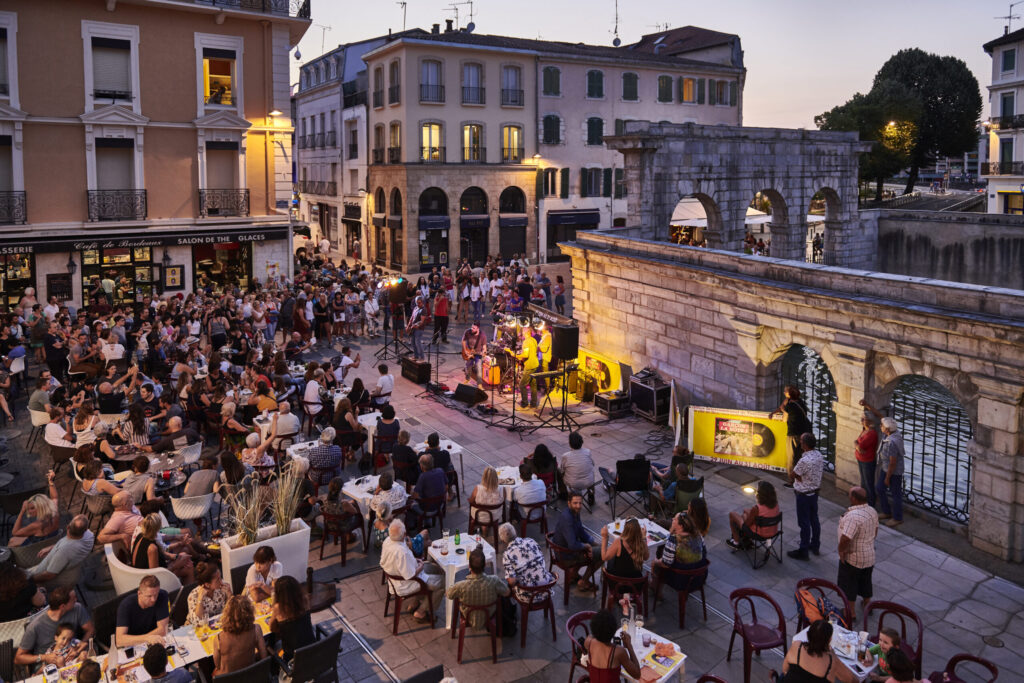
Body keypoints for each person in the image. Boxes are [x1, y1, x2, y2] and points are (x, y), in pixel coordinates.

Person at [380, 519, 444, 623]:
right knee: (443, 582)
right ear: (404, 533)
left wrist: (416, 561)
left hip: (396, 578)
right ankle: (421, 611)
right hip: (407, 583)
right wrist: (420, 565)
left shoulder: (387, 541)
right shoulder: (401, 552)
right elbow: (410, 575)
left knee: (435, 568)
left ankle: (415, 603)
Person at [15, 587, 94, 670]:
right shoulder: (35, 626)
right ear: (63, 606)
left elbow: (90, 629)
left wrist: (80, 644)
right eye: (73, 599)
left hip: (73, 658)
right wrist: (44, 657)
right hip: (47, 665)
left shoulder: (77, 608)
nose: (76, 600)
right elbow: (18, 658)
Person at [837, 487, 879, 622]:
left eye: (849, 495)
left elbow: (846, 538)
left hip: (854, 557)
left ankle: (851, 612)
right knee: (866, 580)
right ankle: (867, 604)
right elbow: (876, 530)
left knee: (849, 584)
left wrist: (841, 550)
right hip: (869, 555)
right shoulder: (872, 511)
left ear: (854, 498)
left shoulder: (853, 517)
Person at [771, 619, 858, 683]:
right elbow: (852, 680)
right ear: (829, 640)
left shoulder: (797, 646)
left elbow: (784, 669)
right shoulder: (831, 660)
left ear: (808, 635)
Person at [445, 546, 509, 629]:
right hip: (489, 614)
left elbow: (448, 594)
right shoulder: (494, 580)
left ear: (469, 566)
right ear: (485, 565)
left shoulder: (461, 585)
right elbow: (507, 593)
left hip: (468, 615)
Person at [552, 492, 601, 592]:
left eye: (580, 503)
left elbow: (581, 532)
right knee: (603, 555)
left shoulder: (574, 512)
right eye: (575, 503)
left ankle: (573, 575)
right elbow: (573, 545)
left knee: (599, 547)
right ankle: (583, 582)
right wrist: (587, 546)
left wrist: (593, 543)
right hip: (566, 555)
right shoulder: (567, 518)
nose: (578, 506)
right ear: (569, 503)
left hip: (566, 550)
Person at [788, 433, 825, 561]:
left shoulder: (804, 460)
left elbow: (793, 474)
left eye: (801, 441)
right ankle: (815, 545)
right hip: (814, 492)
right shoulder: (819, 455)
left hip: (803, 495)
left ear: (804, 445)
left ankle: (803, 550)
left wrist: (800, 478)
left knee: (804, 523)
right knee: (814, 519)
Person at [26, 515, 95, 583]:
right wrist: (52, 548)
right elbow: (68, 541)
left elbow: (49, 575)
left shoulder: (64, 551)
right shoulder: (90, 535)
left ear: (68, 527)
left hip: (46, 577)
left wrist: (29, 582)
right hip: (68, 569)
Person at [498, 522, 555, 603]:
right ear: (516, 533)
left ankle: (511, 610)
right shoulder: (531, 541)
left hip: (529, 596)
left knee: (507, 584)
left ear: (502, 540)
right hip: (546, 589)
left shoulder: (507, 554)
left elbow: (512, 581)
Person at [768, 385, 814, 486]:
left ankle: (792, 481)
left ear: (790, 395)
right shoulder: (800, 402)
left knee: (791, 458)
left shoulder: (790, 406)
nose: (784, 393)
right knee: (800, 457)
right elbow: (783, 407)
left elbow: (782, 408)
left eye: (786, 392)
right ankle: (801, 477)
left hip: (793, 434)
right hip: (803, 434)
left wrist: (773, 412)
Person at [211, 595, 268, 676]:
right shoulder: (256, 630)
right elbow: (264, 656)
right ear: (250, 612)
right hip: (250, 676)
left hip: (229, 679)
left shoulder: (219, 638)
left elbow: (217, 665)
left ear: (227, 615)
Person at [132, 513, 194, 585]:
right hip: (148, 580)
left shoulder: (142, 535)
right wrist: (175, 565)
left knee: (184, 556)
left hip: (146, 573)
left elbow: (162, 553)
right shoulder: (152, 548)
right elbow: (156, 577)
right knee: (189, 567)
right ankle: (187, 593)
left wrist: (175, 557)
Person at [582, 608, 641, 681]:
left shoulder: (588, 642)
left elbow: (591, 635)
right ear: (614, 630)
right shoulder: (619, 652)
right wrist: (629, 646)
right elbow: (637, 674)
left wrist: (598, 632)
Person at [269, 575, 315, 663]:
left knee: (274, 645)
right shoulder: (304, 600)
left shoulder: (278, 608)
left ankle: (276, 671)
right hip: (311, 649)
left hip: (292, 658)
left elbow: (272, 628)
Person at [115, 575, 169, 647]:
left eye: (155, 595)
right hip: (133, 646)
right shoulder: (126, 605)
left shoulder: (162, 595)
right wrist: (147, 638)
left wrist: (147, 638)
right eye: (149, 596)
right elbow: (119, 640)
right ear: (139, 594)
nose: (153, 599)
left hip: (155, 642)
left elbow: (163, 630)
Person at [727, 481, 780, 549]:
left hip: (758, 534)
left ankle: (736, 542)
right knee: (746, 511)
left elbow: (747, 524)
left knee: (732, 514)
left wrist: (742, 518)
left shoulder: (757, 508)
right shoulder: (776, 505)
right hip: (773, 533)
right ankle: (747, 540)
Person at [874, 417, 905, 528]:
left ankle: (897, 517)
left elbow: (893, 462)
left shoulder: (892, 442)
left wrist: (888, 477)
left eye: (882, 426)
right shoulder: (892, 433)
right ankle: (886, 511)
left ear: (887, 429)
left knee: (896, 494)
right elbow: (881, 417)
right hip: (886, 468)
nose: (880, 427)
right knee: (880, 488)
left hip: (893, 471)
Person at [599, 517, 648, 584]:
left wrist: (604, 537)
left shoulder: (619, 542)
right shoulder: (641, 543)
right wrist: (644, 538)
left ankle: (619, 594)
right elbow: (646, 557)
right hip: (635, 585)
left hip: (617, 584)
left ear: (625, 529)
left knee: (612, 558)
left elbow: (604, 557)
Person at [9, 482, 60, 546]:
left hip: (37, 546)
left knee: (12, 542)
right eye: (28, 508)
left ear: (40, 507)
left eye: (32, 508)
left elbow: (15, 532)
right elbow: (55, 497)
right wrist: (51, 482)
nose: (29, 511)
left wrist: (22, 511)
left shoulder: (36, 525)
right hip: (50, 540)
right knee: (13, 540)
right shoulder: (55, 512)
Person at [186, 562, 232, 626]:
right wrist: (200, 599)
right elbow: (197, 621)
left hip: (217, 625)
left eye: (220, 577)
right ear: (207, 584)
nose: (221, 582)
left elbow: (230, 612)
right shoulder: (193, 595)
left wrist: (229, 595)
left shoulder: (222, 589)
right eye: (218, 580)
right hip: (197, 629)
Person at [408, 453, 447, 528]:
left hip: (427, 509)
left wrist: (410, 497)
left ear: (422, 466)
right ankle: (427, 522)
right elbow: (446, 486)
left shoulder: (423, 477)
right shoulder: (440, 471)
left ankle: (412, 525)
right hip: (440, 505)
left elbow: (415, 495)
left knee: (409, 504)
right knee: (428, 495)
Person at [855, 401, 881, 507]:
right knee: (863, 483)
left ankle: (870, 505)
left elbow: (860, 446)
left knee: (868, 484)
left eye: (863, 419)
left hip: (867, 461)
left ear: (870, 421)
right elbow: (856, 443)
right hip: (861, 459)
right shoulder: (864, 430)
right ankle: (863, 502)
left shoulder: (871, 433)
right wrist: (857, 445)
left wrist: (857, 445)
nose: (861, 421)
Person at [559, 431, 595, 500]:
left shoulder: (565, 456)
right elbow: (593, 464)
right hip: (588, 482)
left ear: (570, 444)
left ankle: (563, 493)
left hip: (573, 484)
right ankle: (591, 496)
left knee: (559, 472)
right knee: (591, 473)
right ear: (581, 442)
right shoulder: (588, 452)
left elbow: (562, 470)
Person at [514, 322, 540, 408]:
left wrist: (516, 355)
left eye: (523, 331)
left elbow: (526, 355)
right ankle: (533, 403)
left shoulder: (526, 342)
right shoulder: (534, 340)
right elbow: (534, 351)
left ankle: (524, 402)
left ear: (526, 332)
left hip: (530, 366)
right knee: (533, 385)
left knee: (522, 385)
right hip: (535, 364)